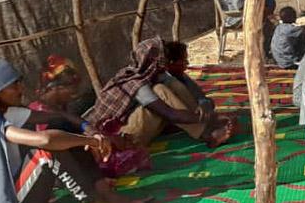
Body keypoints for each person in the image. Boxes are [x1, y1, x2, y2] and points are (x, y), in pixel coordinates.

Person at [0, 58, 146, 203]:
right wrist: (89, 142)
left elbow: (59, 117)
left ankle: (105, 194)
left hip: (16, 199)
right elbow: (44, 141)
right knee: (46, 152)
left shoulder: (3, 111)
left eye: (18, 83)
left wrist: (90, 131)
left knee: (65, 132)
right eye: (13, 86)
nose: (20, 89)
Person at [89, 38, 233, 149]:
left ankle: (206, 126)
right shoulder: (136, 83)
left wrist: (204, 103)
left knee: (171, 84)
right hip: (120, 137)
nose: (187, 64)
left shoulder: (155, 74)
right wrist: (212, 117)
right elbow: (170, 114)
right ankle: (206, 135)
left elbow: (197, 93)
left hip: (138, 125)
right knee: (160, 91)